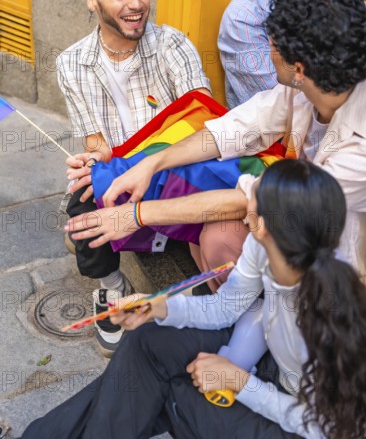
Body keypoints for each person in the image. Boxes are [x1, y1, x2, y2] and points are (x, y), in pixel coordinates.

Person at [21, 160, 366, 438]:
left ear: (259, 224)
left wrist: (239, 383)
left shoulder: (333, 315)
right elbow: (224, 308)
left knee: (172, 392)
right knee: (148, 342)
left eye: (251, 195)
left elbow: (327, 427)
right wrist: (159, 306)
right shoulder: (267, 247)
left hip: (297, 415)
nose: (243, 194)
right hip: (263, 356)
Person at [65, 0, 366, 284]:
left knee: (218, 233)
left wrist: (136, 216)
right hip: (285, 211)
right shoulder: (303, 89)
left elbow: (251, 198)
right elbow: (229, 131)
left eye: (272, 46)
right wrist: (149, 164)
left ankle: (251, 313)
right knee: (213, 228)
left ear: (299, 69)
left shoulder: (358, 153)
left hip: (332, 259)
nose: (269, 52)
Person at [58, 0, 211, 356]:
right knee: (81, 206)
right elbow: (97, 144)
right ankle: (112, 288)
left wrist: (146, 164)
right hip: (122, 171)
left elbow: (202, 124)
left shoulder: (172, 46)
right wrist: (93, 162)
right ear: (91, 0)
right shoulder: (71, 63)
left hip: (177, 172)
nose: (136, 4)